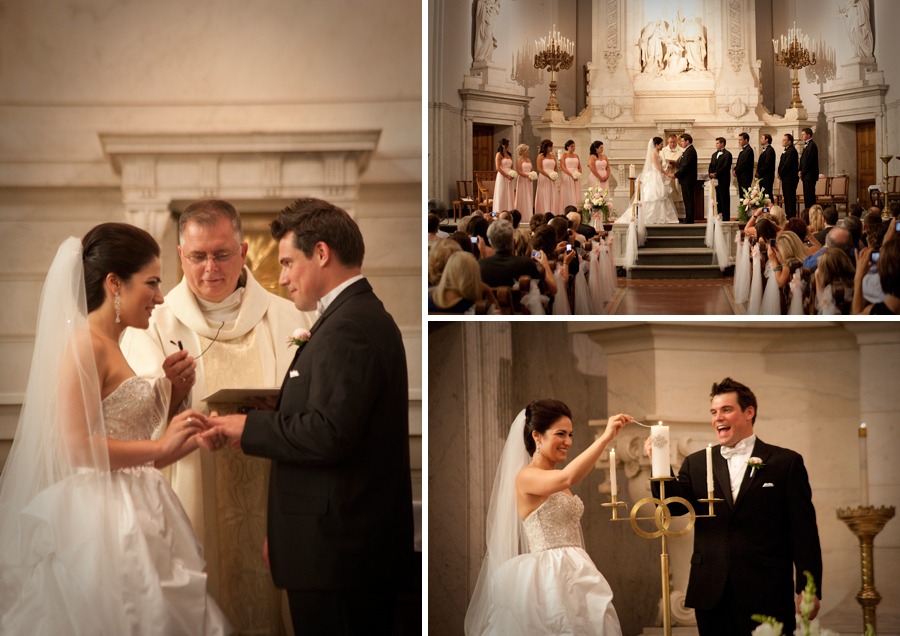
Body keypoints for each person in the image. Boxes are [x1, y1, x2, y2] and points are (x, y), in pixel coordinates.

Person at [0, 223, 231, 634]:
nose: (160, 298)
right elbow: (76, 448)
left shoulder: (114, 346)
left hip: (138, 506)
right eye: (153, 283)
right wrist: (161, 447)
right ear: (114, 284)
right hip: (102, 521)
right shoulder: (84, 345)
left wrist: (185, 425)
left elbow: (133, 448)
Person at [201, 198, 414, 633]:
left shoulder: (349, 325)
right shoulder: (351, 316)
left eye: (286, 262)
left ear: (321, 253)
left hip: (339, 554)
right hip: (333, 549)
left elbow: (329, 433)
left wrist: (249, 426)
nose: (279, 279)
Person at [121, 200, 314, 598]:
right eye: (198, 256)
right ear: (180, 256)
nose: (210, 268)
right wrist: (171, 390)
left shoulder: (289, 318)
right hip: (191, 486)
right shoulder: (151, 325)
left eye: (222, 255)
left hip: (274, 489)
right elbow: (133, 428)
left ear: (243, 252)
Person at [645, 378, 822, 636]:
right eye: (714, 412)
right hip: (710, 591)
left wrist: (808, 588)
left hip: (767, 590)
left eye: (726, 410)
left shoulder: (786, 463)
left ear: (749, 412)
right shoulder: (696, 464)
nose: (718, 418)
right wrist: (659, 464)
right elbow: (674, 509)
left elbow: (803, 532)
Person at [465, 399, 630, 636]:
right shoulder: (526, 477)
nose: (568, 442)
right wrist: (604, 438)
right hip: (547, 578)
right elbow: (569, 478)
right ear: (537, 436)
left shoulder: (556, 477)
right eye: (561, 434)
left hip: (577, 571)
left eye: (571, 434)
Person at [616, 137, 679, 225]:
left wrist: (666, 167)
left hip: (658, 175)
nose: (662, 146)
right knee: (654, 196)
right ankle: (652, 217)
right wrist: (667, 174)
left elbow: (659, 165)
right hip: (654, 176)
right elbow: (657, 167)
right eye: (661, 144)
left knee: (660, 196)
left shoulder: (657, 153)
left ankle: (661, 216)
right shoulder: (653, 153)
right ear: (656, 145)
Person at [478, 219, 545, 288]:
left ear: (491, 244)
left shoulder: (480, 265)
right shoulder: (527, 264)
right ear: (514, 242)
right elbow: (540, 290)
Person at [659, 134, 685, 221]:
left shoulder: (681, 150)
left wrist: (677, 164)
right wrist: (667, 164)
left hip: (677, 173)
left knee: (677, 192)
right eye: (671, 142)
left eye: (674, 142)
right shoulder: (663, 150)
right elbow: (661, 162)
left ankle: (680, 215)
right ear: (668, 142)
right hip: (667, 173)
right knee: (668, 193)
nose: (672, 144)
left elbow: (684, 162)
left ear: (676, 141)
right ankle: (669, 215)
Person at [675, 134, 698, 223]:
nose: (681, 143)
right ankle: (689, 218)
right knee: (687, 199)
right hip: (686, 179)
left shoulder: (690, 151)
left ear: (687, 141)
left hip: (688, 179)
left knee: (688, 200)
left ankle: (689, 219)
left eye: (682, 141)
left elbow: (685, 166)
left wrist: (676, 174)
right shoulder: (688, 150)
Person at [708, 137, 733, 220]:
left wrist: (716, 173)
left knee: (724, 199)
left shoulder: (727, 154)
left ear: (722, 144)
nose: (716, 145)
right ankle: (718, 216)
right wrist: (710, 173)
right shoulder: (714, 155)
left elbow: (726, 167)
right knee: (717, 198)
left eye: (717, 143)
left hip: (723, 180)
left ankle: (726, 218)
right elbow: (711, 165)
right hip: (715, 181)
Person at [535, 139, 560, 216]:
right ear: (545, 147)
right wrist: (548, 175)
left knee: (553, 194)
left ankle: (553, 212)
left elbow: (556, 167)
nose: (551, 148)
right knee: (545, 194)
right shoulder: (540, 156)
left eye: (551, 147)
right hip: (544, 177)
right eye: (550, 147)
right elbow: (539, 168)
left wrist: (555, 174)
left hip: (552, 177)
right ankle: (544, 212)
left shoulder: (553, 156)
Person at [778, 134, 800, 218]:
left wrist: (781, 173)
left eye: (784, 140)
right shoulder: (787, 150)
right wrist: (779, 172)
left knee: (790, 197)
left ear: (789, 142)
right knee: (787, 197)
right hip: (786, 178)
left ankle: (791, 215)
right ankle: (788, 214)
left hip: (790, 178)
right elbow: (782, 163)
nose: (782, 141)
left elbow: (787, 164)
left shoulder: (792, 151)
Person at [493, 138, 515, 214]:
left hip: (510, 176)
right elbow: (498, 167)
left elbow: (511, 166)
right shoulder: (499, 154)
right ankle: (499, 212)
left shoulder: (509, 155)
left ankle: (509, 212)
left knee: (509, 193)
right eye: (508, 144)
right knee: (502, 193)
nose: (509, 146)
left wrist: (512, 173)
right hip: (502, 176)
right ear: (503, 145)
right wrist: (506, 175)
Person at [559, 140, 583, 211]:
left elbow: (579, 167)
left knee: (576, 192)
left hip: (576, 176)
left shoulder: (576, 155)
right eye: (571, 146)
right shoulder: (564, 155)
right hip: (567, 175)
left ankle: (577, 209)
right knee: (568, 193)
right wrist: (571, 175)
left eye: (574, 146)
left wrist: (578, 173)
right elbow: (563, 167)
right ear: (567, 147)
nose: (573, 148)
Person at [514, 144, 535, 223]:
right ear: (523, 152)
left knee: (528, 197)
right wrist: (528, 176)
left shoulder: (529, 160)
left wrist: (533, 175)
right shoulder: (519, 160)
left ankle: (529, 215)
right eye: (527, 150)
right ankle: (522, 216)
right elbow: (519, 171)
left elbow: (532, 169)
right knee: (523, 196)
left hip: (529, 181)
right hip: (522, 180)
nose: (528, 152)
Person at [733, 133, 755, 203]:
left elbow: (744, 163)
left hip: (746, 176)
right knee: (742, 196)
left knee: (745, 196)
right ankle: (743, 211)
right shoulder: (743, 150)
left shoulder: (749, 150)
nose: (739, 142)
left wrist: (736, 171)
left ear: (746, 140)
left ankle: (745, 212)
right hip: (741, 176)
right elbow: (739, 162)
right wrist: (735, 169)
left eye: (740, 140)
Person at [756, 134, 776, 202]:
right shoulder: (765, 150)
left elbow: (767, 164)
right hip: (763, 176)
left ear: (767, 140)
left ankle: (770, 211)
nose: (760, 140)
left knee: (768, 194)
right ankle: (765, 211)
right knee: (763, 195)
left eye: (762, 138)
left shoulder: (770, 150)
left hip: (767, 176)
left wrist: (759, 172)